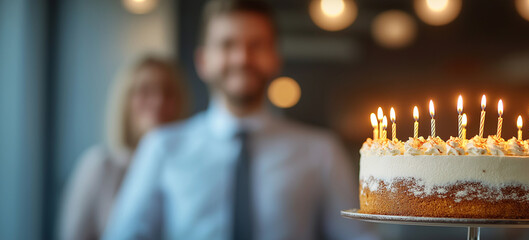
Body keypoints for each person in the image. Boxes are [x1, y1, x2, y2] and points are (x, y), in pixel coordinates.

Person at [103, 1, 376, 239]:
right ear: (202, 61)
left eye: (256, 45)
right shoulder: (162, 147)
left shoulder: (321, 151)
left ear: (275, 58)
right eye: (227, 44)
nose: (242, 57)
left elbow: (359, 237)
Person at [58, 55, 191, 240]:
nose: (158, 101)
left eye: (168, 93)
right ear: (125, 100)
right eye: (145, 91)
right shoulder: (100, 165)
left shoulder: (189, 169)